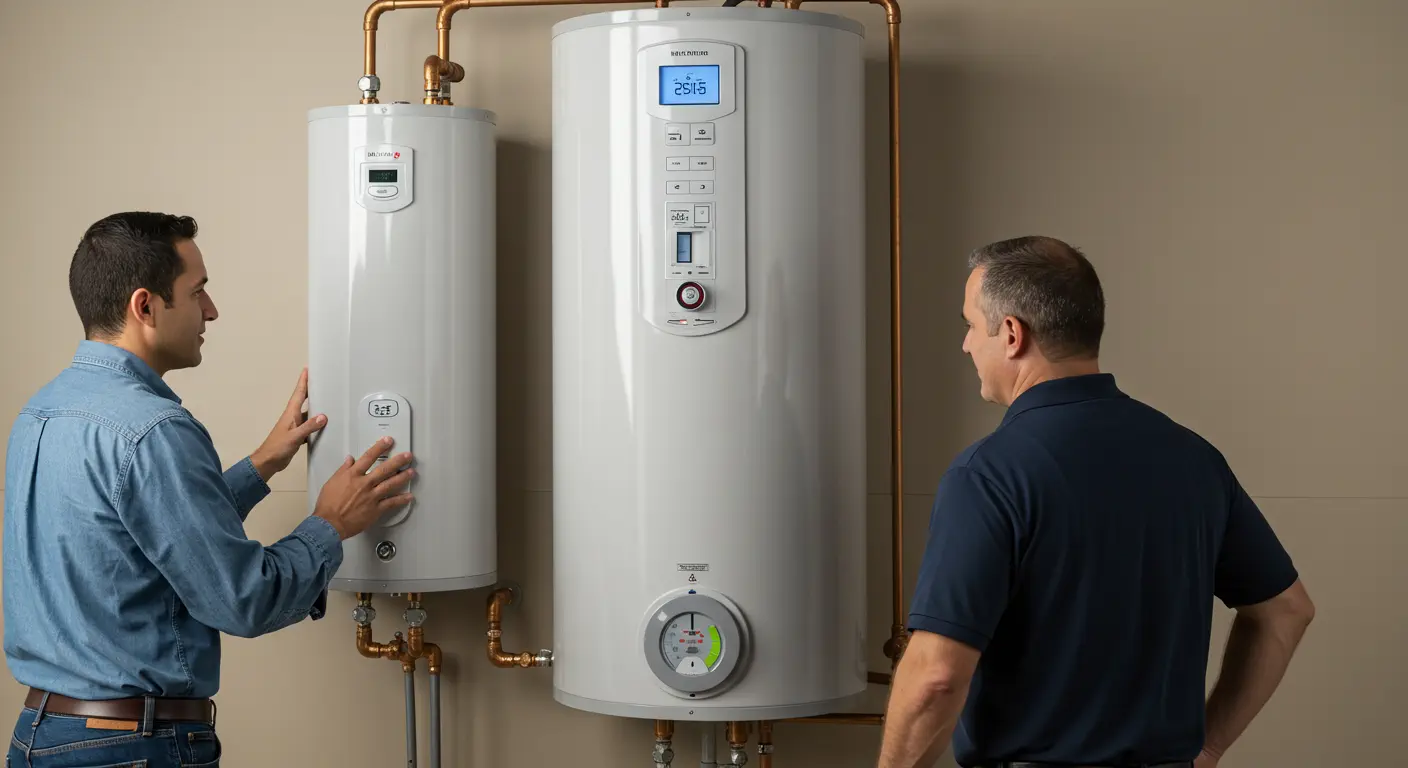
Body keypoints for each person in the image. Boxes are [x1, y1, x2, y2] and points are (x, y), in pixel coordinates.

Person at [876, 236, 1315, 768]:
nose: (967, 345)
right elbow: (1286, 612)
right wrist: (1210, 744)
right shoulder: (1194, 459)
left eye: (971, 325)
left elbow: (936, 677)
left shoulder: (989, 475)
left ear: (1012, 334)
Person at [2, 211, 415, 767]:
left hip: (41, 736)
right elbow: (244, 600)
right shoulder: (153, 430)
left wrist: (264, 464)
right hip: (130, 747)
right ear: (145, 306)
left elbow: (133, 540)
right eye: (198, 292)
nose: (211, 310)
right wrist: (331, 524)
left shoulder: (42, 410)